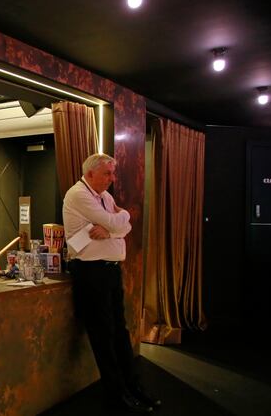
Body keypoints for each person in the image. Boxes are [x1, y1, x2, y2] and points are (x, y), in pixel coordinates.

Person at [63, 153, 160, 413]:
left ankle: (133, 387)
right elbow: (116, 221)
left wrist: (112, 227)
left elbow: (122, 228)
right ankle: (116, 396)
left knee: (120, 331)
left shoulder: (104, 197)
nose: (112, 179)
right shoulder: (78, 194)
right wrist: (121, 218)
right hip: (90, 273)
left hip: (110, 271)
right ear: (91, 173)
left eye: (113, 173)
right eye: (107, 173)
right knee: (103, 336)